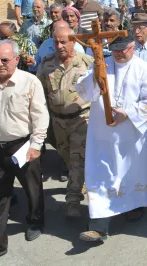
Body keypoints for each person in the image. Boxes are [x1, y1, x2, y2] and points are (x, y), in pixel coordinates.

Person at [74, 35, 147, 242]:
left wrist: (128, 114)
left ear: (133, 48)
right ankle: (98, 227)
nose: (120, 54)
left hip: (132, 137)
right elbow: (85, 92)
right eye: (115, 51)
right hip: (103, 136)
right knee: (103, 175)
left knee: (131, 174)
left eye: (124, 50)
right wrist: (95, 74)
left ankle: (135, 206)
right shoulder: (102, 66)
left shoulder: (144, 69)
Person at [0, 40, 49, 265]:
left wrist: (36, 145)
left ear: (16, 59)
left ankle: (35, 219)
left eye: (5, 59)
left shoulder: (30, 81)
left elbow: (39, 115)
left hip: (23, 146)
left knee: (32, 188)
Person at [36, 26, 93, 219]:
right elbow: (39, 93)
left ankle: (73, 201)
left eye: (63, 42)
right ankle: (80, 183)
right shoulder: (46, 64)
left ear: (74, 41)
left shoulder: (86, 63)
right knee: (68, 158)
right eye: (56, 42)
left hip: (81, 119)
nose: (59, 46)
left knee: (77, 159)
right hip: (57, 122)